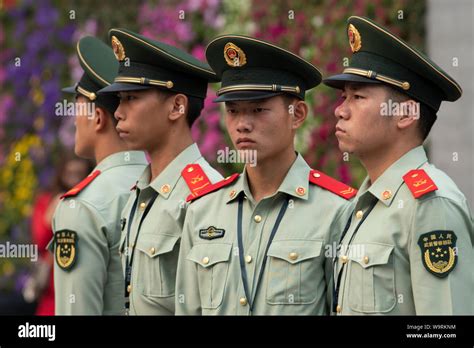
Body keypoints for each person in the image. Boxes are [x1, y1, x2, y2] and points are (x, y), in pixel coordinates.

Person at [175, 35, 357, 315]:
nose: (242, 125)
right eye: (233, 111)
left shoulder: (336, 211)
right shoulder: (202, 211)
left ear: (297, 115)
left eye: (258, 110)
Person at [323, 16, 474, 315]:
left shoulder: (431, 205)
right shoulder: (361, 206)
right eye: (343, 97)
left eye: (358, 97)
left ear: (405, 114)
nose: (340, 110)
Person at [98, 28, 223, 315]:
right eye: (120, 100)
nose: (118, 112)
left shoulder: (204, 197)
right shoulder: (141, 193)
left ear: (177, 106)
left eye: (131, 98)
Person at [50, 36, 148, 315]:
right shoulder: (168, 186)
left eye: (77, 107)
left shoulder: (83, 205)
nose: (74, 120)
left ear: (97, 118)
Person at [28, 154, 93, 315]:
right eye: (69, 173)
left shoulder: (93, 201)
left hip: (83, 283)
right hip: (52, 286)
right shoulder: (46, 200)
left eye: (79, 174)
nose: (73, 179)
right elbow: (40, 242)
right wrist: (54, 209)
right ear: (61, 173)